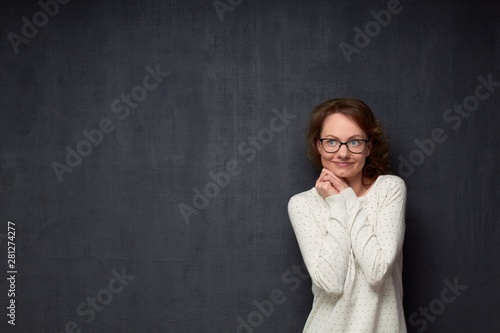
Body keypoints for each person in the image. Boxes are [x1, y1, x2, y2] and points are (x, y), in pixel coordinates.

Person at [288, 98, 407, 332]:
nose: (342, 153)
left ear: (369, 146)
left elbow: (377, 271)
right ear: (318, 145)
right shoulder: (302, 204)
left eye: (354, 142)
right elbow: (331, 285)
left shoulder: (389, 189)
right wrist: (336, 203)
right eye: (331, 141)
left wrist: (347, 197)